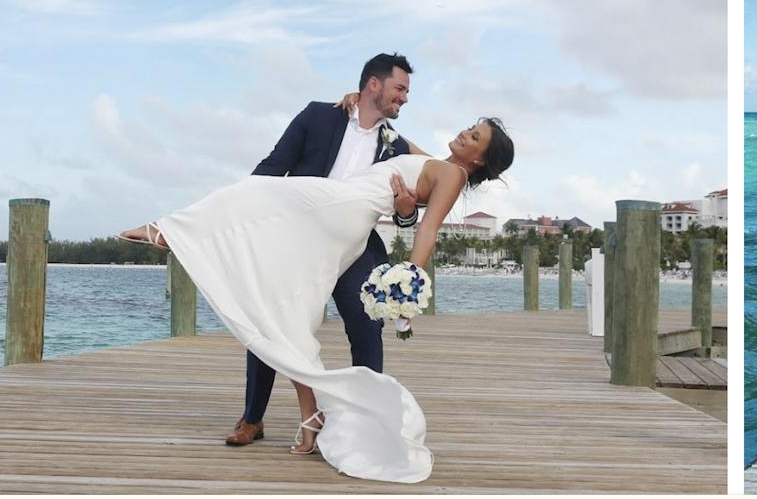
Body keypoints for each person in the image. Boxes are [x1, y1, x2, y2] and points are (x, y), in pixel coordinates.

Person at [119, 97, 515, 483]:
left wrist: (409, 277)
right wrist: (361, 101)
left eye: (474, 136)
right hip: (339, 215)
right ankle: (310, 417)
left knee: (254, 193)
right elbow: (394, 138)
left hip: (340, 208)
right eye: (470, 127)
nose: (465, 133)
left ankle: (170, 231)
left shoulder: (454, 176)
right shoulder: (432, 160)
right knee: (289, 309)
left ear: (480, 160)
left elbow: (427, 229)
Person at [221, 54, 423, 451]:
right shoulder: (319, 116)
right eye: (400, 88)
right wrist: (238, 210)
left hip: (355, 245)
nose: (404, 98)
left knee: (367, 323)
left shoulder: (397, 146)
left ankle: (369, 422)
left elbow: (408, 211)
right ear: (373, 84)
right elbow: (274, 166)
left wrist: (404, 211)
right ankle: (252, 419)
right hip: (298, 240)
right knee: (271, 322)